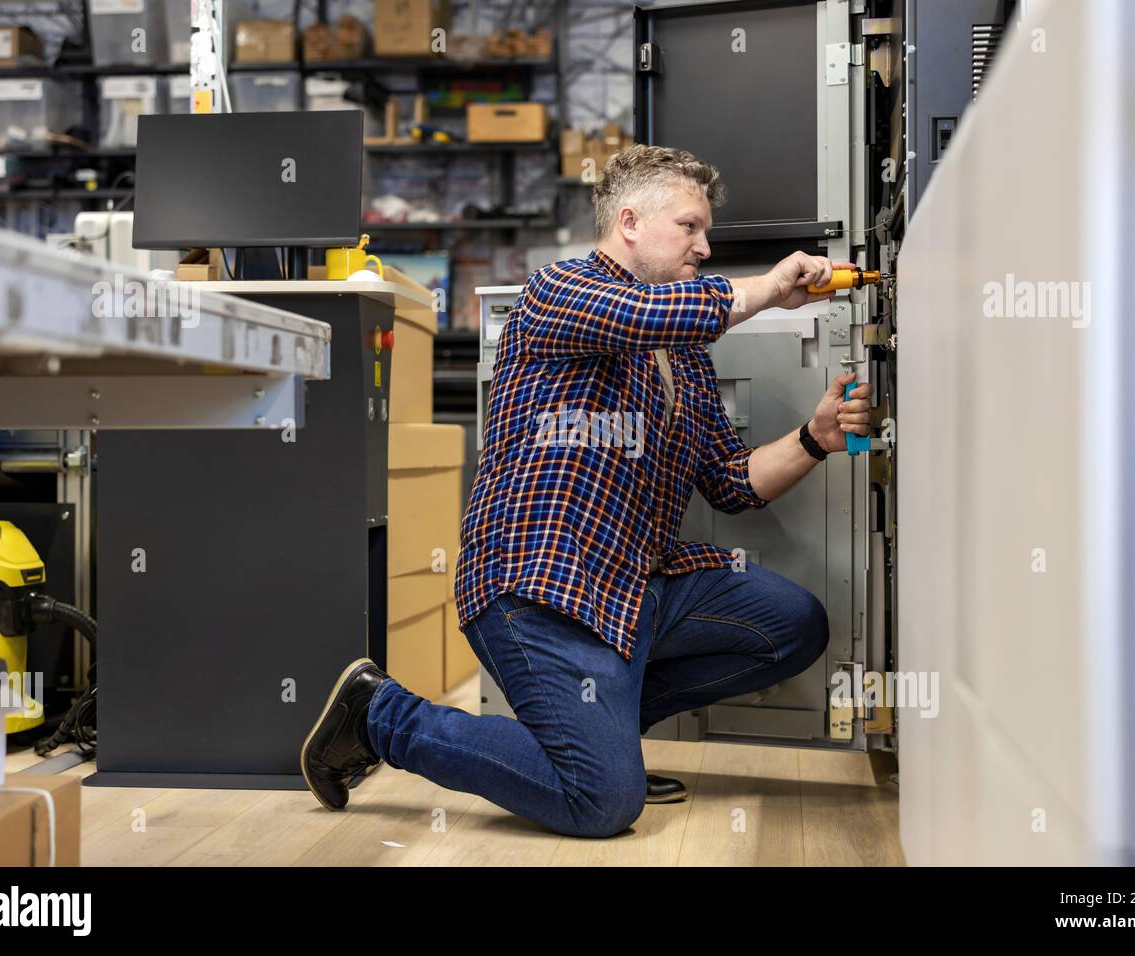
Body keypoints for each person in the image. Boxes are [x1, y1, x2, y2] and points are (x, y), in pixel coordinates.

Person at [301, 143, 874, 838]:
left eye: (706, 230)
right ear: (629, 221)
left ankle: (599, 734)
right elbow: (651, 316)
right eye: (690, 227)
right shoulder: (559, 292)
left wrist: (813, 438)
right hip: (541, 592)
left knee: (792, 625)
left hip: (633, 589)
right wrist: (771, 285)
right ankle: (380, 716)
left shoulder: (686, 356)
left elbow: (729, 480)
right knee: (602, 802)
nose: (705, 244)